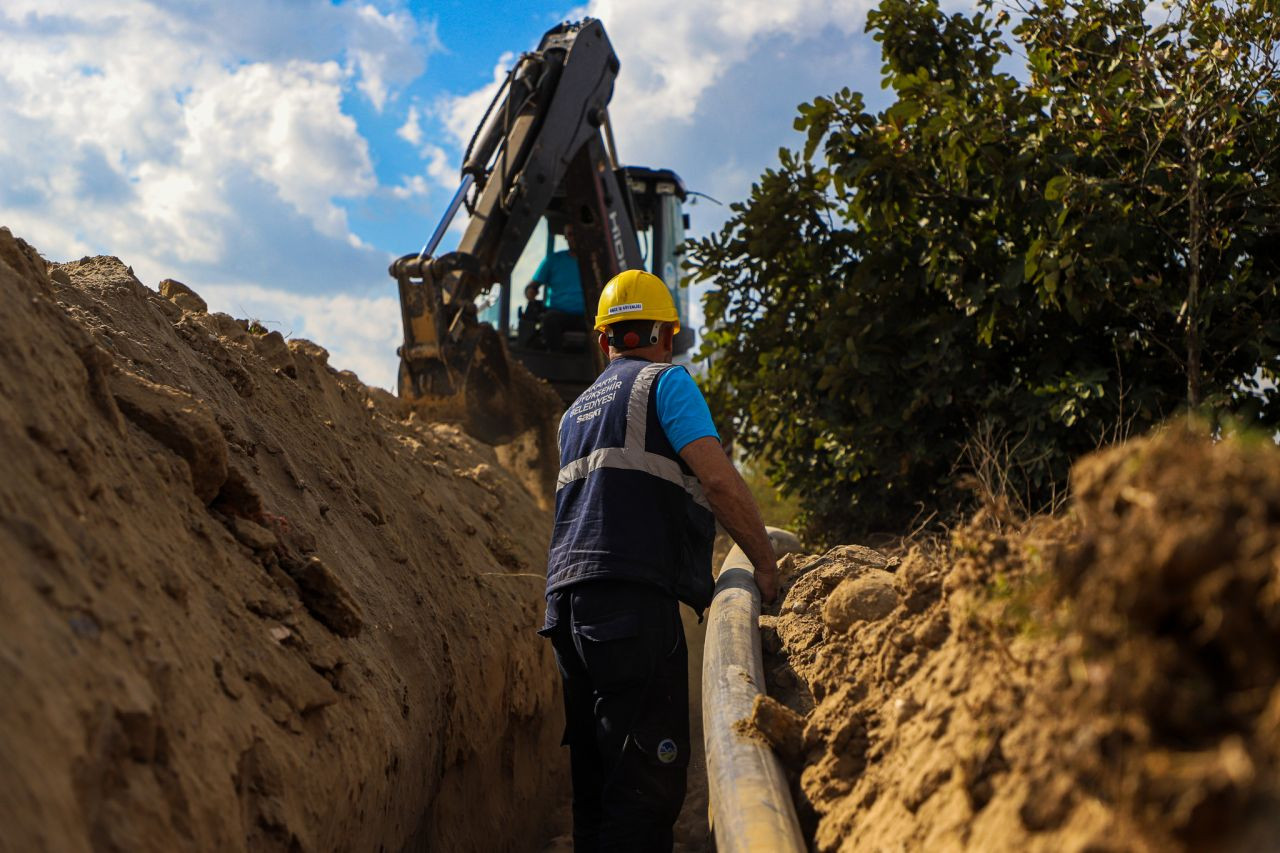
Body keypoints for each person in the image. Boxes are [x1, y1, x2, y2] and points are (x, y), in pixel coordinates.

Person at [539, 268, 780, 851]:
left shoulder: (574, 413)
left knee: (597, 792)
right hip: (630, 607)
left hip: (568, 611)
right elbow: (718, 481)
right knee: (645, 794)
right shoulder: (665, 382)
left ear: (603, 341)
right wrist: (767, 567)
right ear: (666, 334)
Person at [528, 224, 586, 350]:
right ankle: (556, 361)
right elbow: (533, 286)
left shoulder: (592, 262)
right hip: (559, 314)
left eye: (576, 234)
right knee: (549, 320)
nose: (573, 238)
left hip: (587, 315)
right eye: (570, 234)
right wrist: (531, 291)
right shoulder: (553, 260)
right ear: (565, 237)